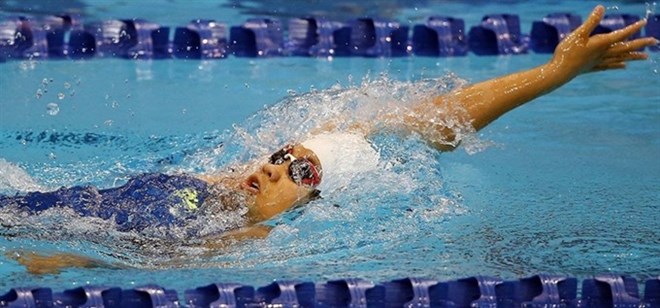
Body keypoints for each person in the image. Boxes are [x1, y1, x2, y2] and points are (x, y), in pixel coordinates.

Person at [2, 5, 657, 274]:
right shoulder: (224, 182)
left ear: (323, 203)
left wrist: (63, 262)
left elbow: (114, 259)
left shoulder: (246, 240)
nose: (280, 165)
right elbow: (438, 118)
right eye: (285, 155)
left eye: (303, 172)